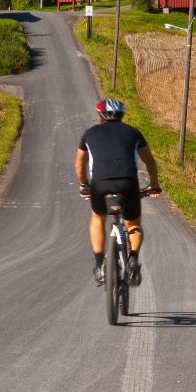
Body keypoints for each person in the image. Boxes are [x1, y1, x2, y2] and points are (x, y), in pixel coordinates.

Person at [75, 97, 161, 286]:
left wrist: (84, 185)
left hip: (100, 184)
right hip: (127, 184)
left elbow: (80, 164)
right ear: (121, 115)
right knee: (132, 223)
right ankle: (132, 259)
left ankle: (100, 265)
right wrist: (154, 185)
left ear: (101, 116)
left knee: (98, 218)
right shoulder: (133, 133)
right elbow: (150, 162)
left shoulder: (90, 134)